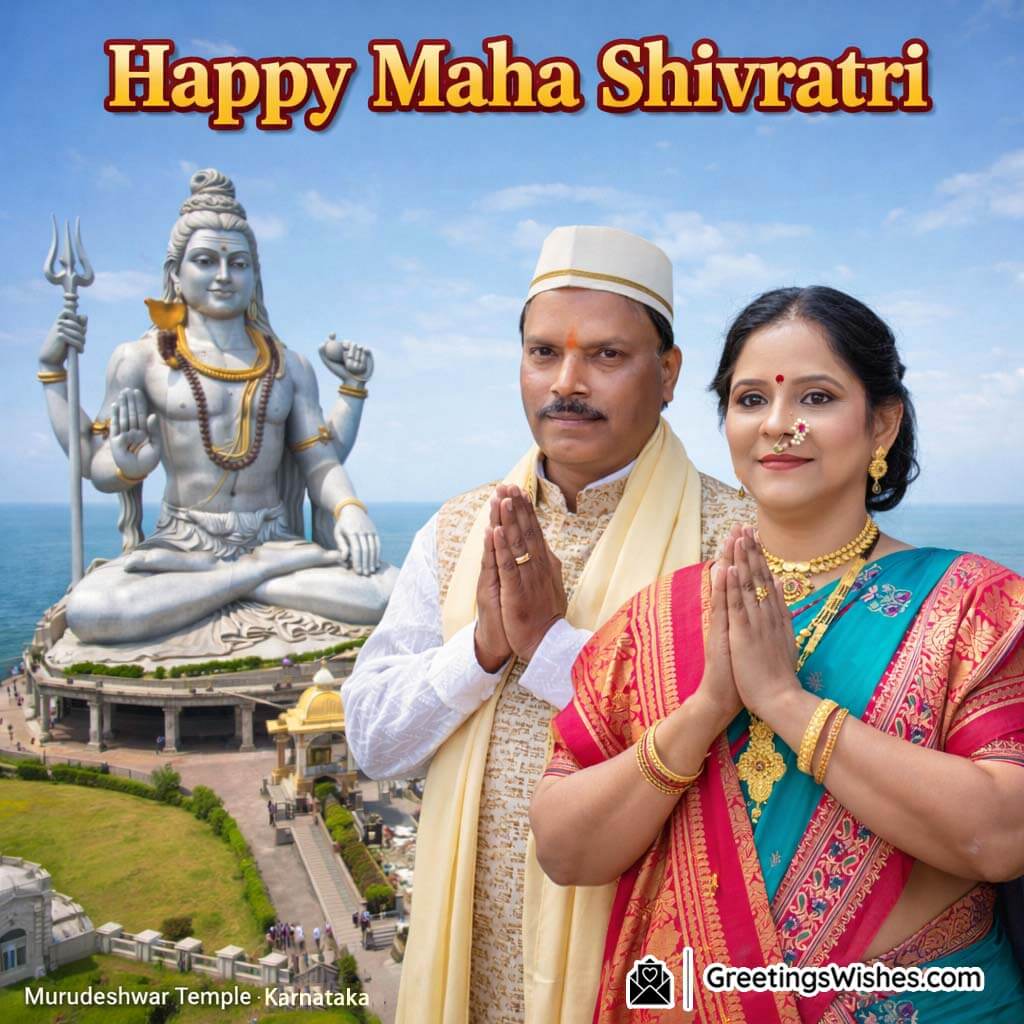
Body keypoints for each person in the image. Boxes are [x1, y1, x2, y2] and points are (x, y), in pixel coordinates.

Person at [531, 286, 1024, 1022]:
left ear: (882, 422)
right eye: (750, 398)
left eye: (817, 398)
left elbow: (1001, 836)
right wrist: (702, 713)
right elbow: (564, 851)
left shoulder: (974, 606)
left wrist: (788, 705)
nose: (779, 426)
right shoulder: (654, 620)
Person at [342, 225, 753, 1024]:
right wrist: (484, 648)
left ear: (668, 374)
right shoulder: (460, 530)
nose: (567, 383)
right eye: (542, 354)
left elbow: (735, 746)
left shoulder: (734, 537)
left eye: (606, 356)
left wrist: (547, 648)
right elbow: (373, 742)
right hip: (472, 949)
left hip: (647, 957)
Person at [37, 168, 395, 650]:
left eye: (239, 264)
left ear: (254, 275)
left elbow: (320, 460)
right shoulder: (140, 358)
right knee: (93, 610)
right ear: (176, 274)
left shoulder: (289, 365)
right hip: (181, 544)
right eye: (206, 261)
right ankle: (256, 578)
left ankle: (241, 576)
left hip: (273, 539)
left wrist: (350, 510)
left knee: (387, 592)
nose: (224, 276)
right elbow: (96, 468)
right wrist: (123, 465)